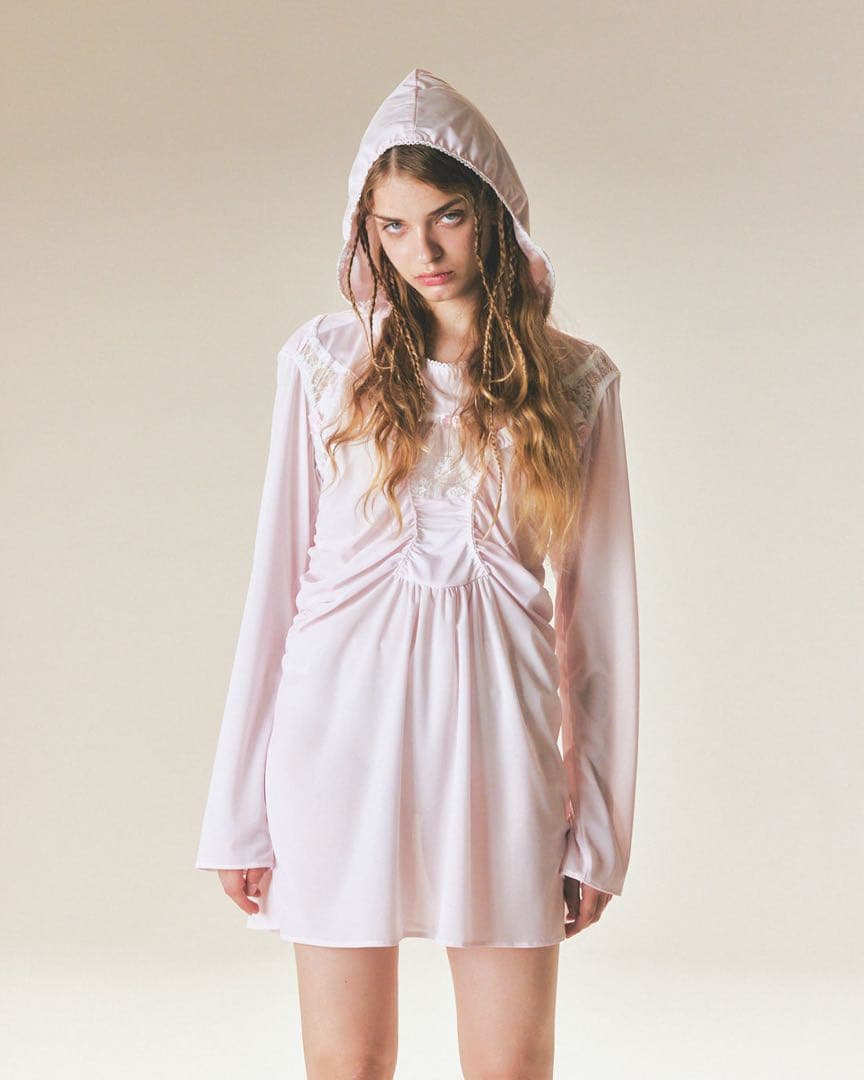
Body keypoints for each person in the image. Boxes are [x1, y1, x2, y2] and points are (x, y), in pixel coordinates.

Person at [194, 67, 639, 1078]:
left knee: (510, 1065)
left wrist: (600, 831)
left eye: (447, 219)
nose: (424, 253)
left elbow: (600, 627)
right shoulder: (324, 366)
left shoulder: (577, 382)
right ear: (368, 235)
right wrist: (237, 811)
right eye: (393, 227)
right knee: (346, 1065)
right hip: (338, 743)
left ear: (494, 218)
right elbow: (276, 590)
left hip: (501, 745)